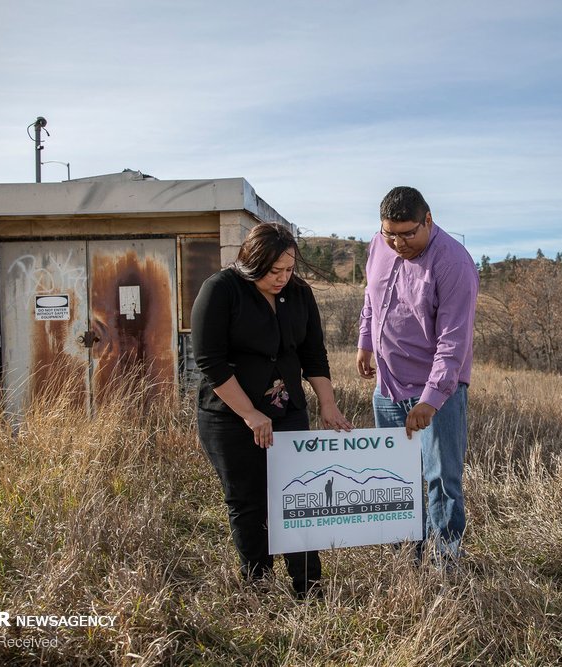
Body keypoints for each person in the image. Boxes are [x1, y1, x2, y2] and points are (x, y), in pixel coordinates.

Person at [192, 222, 352, 598]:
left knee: (298, 497)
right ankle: (259, 587)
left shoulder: (298, 293)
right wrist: (250, 413)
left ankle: (309, 590)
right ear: (251, 261)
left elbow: (313, 354)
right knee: (248, 502)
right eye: (273, 271)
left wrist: (327, 403)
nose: (282, 278)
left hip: (288, 410)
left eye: (289, 269)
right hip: (231, 417)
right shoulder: (220, 290)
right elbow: (210, 361)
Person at [356, 186, 478, 563]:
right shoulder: (380, 245)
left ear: (428, 220)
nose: (398, 243)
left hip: (435, 390)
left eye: (408, 233)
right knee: (394, 477)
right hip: (387, 387)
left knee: (442, 479)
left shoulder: (454, 263)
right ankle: (405, 558)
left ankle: (446, 562)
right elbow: (371, 297)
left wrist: (431, 399)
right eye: (390, 233)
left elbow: (453, 341)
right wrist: (365, 341)